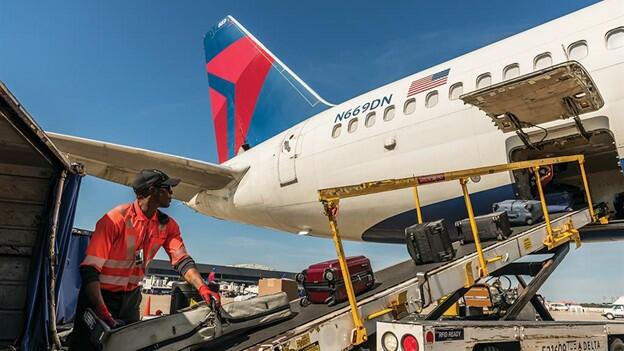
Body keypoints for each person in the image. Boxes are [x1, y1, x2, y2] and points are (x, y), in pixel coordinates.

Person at [70, 169, 220, 350]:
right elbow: (90, 270)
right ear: (152, 190)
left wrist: (202, 287)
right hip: (99, 298)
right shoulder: (115, 219)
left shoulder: (167, 225)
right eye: (167, 188)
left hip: (131, 300)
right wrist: (102, 310)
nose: (172, 193)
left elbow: (182, 260)